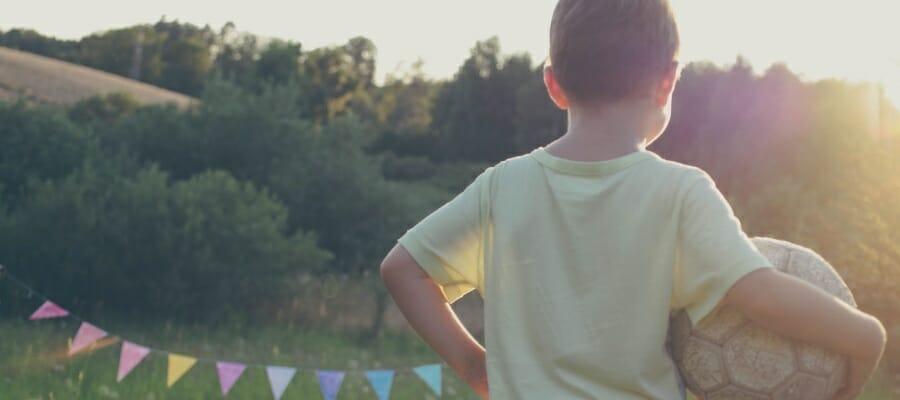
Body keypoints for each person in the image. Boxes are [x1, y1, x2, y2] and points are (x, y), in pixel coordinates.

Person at [379, 0, 887, 398]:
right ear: (668, 79)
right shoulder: (680, 192)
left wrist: (473, 364)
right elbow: (759, 293)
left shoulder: (503, 186)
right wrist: (866, 337)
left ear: (554, 84)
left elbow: (403, 268)